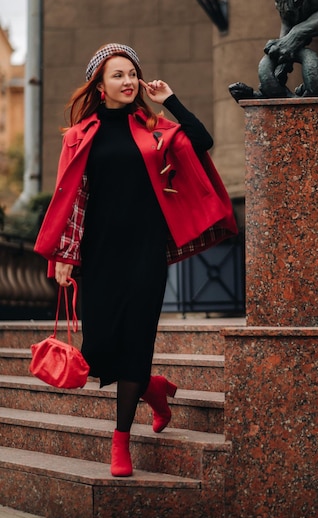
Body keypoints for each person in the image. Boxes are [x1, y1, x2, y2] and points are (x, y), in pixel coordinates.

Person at [34, 43, 237, 477]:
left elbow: (203, 141)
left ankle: (120, 441)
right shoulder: (79, 136)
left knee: (137, 342)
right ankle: (155, 389)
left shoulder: (154, 126)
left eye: (132, 73)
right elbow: (72, 200)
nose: (128, 81)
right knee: (100, 351)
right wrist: (65, 255)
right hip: (99, 255)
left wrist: (171, 101)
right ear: (100, 86)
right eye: (117, 75)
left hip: (145, 251)